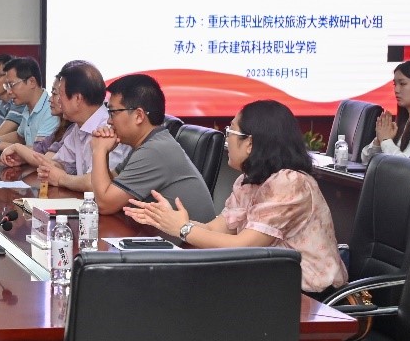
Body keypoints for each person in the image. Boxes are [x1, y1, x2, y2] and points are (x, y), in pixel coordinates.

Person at [127, 99, 348, 295]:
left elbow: (245, 247)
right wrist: (167, 220)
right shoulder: (248, 181)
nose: (227, 141)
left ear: (249, 143)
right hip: (270, 285)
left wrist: (183, 229)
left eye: (230, 132)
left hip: (309, 296)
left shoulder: (290, 182)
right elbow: (214, 230)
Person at [87, 73, 215, 220]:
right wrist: (104, 153)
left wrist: (99, 150)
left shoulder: (155, 151)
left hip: (188, 235)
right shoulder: (148, 143)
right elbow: (110, 185)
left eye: (113, 112)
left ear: (139, 116)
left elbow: (104, 205)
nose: (109, 121)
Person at [1, 60, 127, 189]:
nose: (57, 100)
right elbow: (58, 163)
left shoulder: (109, 128)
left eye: (60, 94)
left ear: (77, 98)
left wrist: (61, 179)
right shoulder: (78, 128)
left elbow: (95, 183)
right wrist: (50, 169)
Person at [0, 57, 59, 153]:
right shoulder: (28, 107)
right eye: (7, 86)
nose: (9, 91)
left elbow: (38, 150)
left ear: (32, 82)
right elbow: (20, 136)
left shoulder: (50, 110)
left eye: (11, 85)